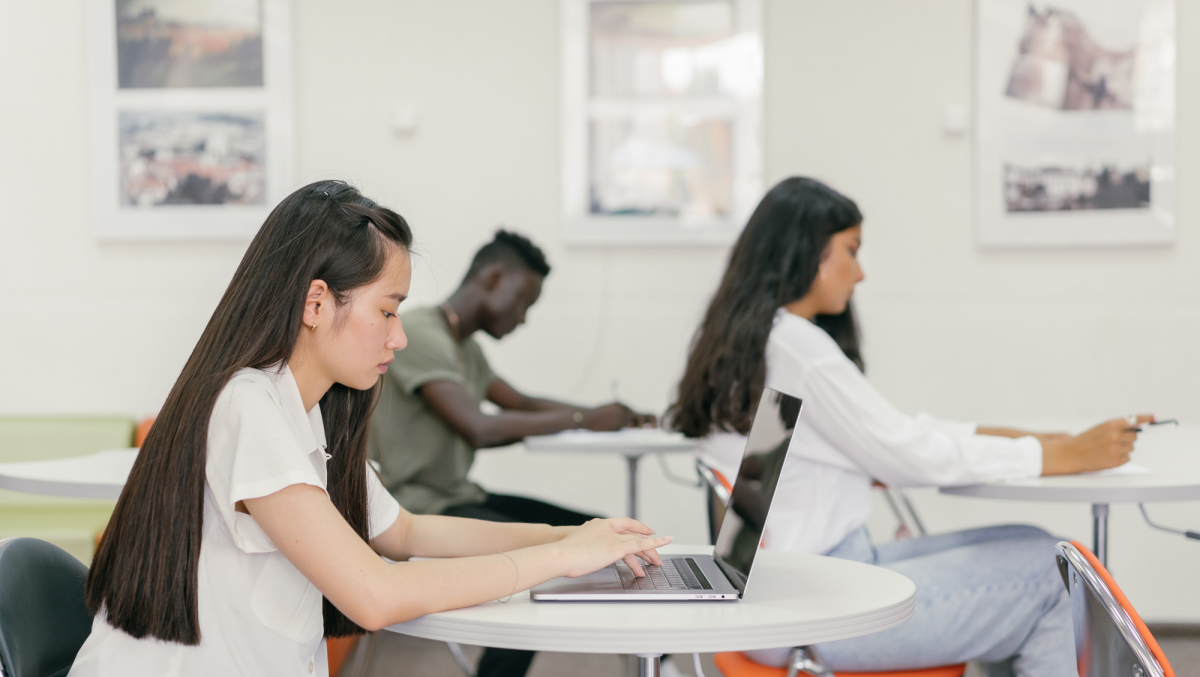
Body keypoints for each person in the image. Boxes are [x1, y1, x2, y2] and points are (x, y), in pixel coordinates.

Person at [71, 181, 670, 677]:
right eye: (387, 310)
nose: (399, 336)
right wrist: (559, 560)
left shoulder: (303, 410)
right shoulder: (246, 406)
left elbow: (403, 532)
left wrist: (565, 538)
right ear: (316, 304)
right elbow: (375, 595)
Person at [666, 176, 1151, 677]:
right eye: (851, 251)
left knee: (1033, 541)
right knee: (1058, 581)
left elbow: (892, 436)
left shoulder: (758, 340)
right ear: (807, 254)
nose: (860, 274)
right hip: (809, 606)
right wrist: (1053, 457)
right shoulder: (798, 349)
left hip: (790, 583)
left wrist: (1032, 443)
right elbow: (906, 454)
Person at [369, 229, 655, 676]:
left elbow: (519, 403)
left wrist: (604, 414)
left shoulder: (467, 349)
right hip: (420, 507)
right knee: (540, 570)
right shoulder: (422, 334)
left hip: (461, 496)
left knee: (598, 530)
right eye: (523, 301)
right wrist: (584, 420)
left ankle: (658, 658)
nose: (522, 318)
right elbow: (479, 427)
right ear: (492, 277)